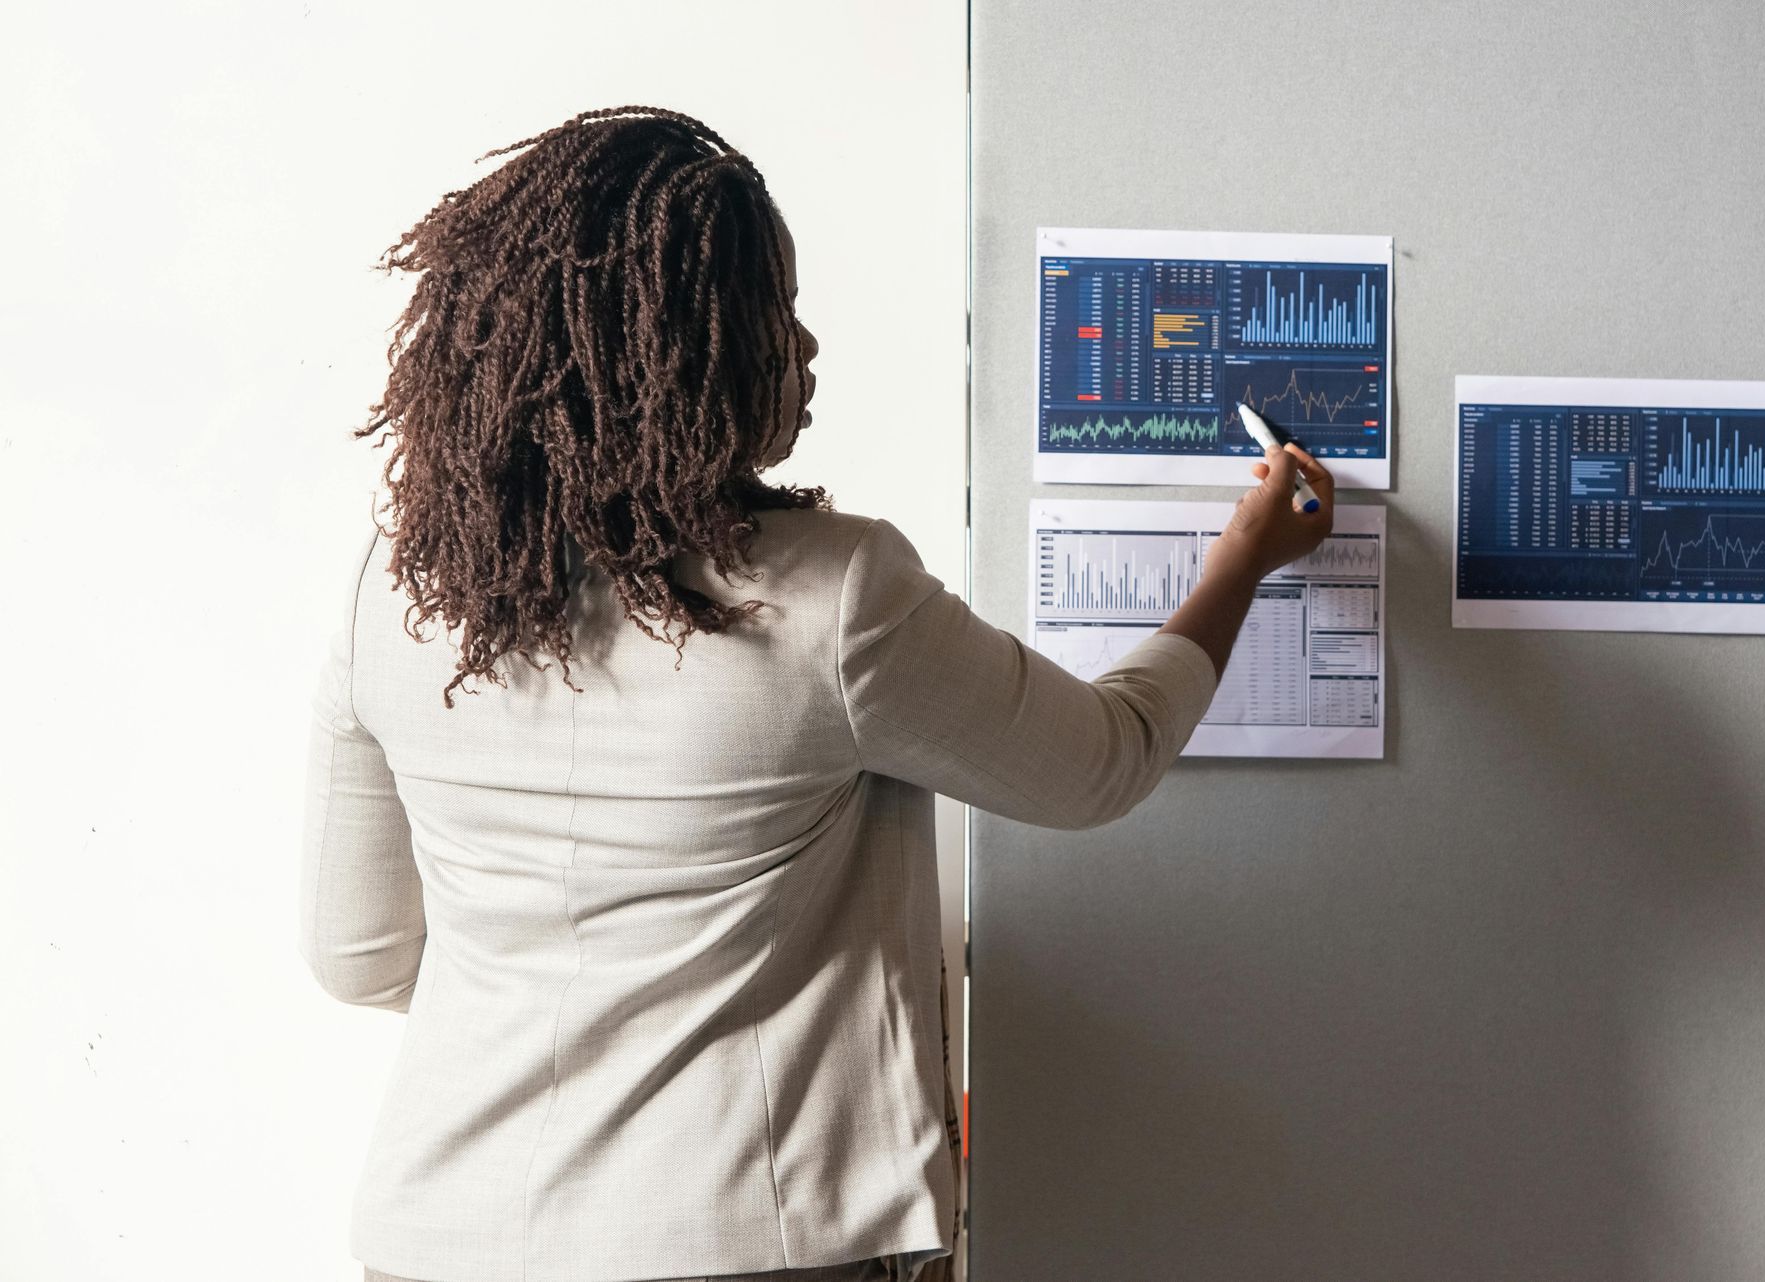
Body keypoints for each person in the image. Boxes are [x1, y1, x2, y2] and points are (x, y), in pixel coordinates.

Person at [298, 105, 1334, 1282]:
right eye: (768, 315)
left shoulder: (393, 600)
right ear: (678, 353)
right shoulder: (832, 595)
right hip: (735, 1244)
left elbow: (360, 959)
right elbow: (1103, 760)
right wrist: (1240, 562)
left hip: (439, 1240)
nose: (806, 346)